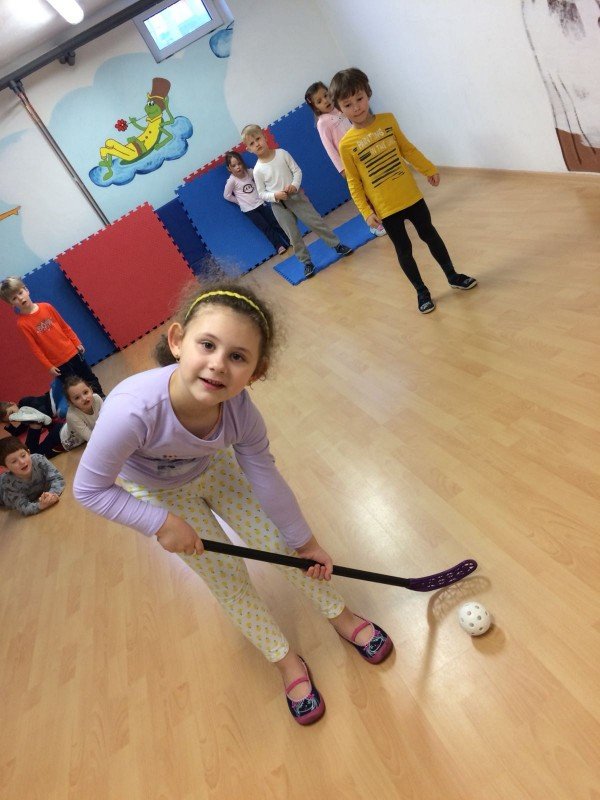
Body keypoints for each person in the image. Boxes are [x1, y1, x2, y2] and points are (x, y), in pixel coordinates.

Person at [73, 277, 393, 725]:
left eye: (238, 357)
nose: (218, 365)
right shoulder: (131, 410)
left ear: (256, 373)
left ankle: (339, 615)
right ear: (178, 341)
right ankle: (284, 660)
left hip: (212, 467)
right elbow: (89, 489)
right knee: (227, 578)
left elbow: (265, 474)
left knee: (281, 546)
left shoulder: (241, 413)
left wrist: (305, 543)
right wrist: (159, 522)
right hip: (158, 491)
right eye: (207, 345)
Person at [329, 68, 477, 314]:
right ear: (340, 109)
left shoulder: (388, 120)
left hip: (411, 196)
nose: (356, 107)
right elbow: (354, 182)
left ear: (368, 93)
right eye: (348, 104)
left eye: (359, 98)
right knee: (404, 249)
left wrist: (427, 168)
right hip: (386, 208)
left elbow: (406, 149)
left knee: (430, 235)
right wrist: (366, 211)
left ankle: (453, 275)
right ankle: (422, 292)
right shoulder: (346, 145)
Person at [241, 125, 354, 279]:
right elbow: (261, 193)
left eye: (258, 138)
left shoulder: (282, 154)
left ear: (265, 137)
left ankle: (337, 245)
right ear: (249, 149)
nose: (257, 144)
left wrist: (294, 185)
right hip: (279, 206)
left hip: (296, 197)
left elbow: (297, 171)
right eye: (252, 143)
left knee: (316, 223)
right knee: (293, 236)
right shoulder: (257, 170)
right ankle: (306, 262)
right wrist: (275, 195)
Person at [305, 81, 386, 238]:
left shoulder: (341, 109)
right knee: (364, 193)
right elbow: (329, 148)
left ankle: (385, 213)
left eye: (326, 95)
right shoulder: (322, 123)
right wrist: (342, 168)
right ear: (315, 107)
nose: (325, 101)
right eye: (319, 101)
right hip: (349, 162)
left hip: (362, 153)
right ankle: (375, 224)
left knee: (375, 185)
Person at [0, 277, 105, 395]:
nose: (20, 298)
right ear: (11, 303)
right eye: (14, 298)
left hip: (72, 352)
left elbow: (64, 326)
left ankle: (101, 398)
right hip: (58, 363)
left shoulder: (47, 307)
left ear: (26, 290)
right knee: (72, 388)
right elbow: (35, 348)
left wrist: (76, 341)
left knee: (88, 377)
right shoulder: (22, 324)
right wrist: (49, 366)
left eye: (20, 292)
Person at [223, 151, 291, 254]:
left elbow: (259, 176)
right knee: (265, 227)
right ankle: (279, 245)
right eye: (234, 166)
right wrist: (239, 202)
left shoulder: (249, 172)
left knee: (275, 222)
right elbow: (227, 195)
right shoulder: (232, 181)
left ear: (242, 163)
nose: (238, 167)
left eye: (239, 164)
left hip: (261, 203)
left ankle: (290, 239)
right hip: (249, 210)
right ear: (229, 168)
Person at [0, 436, 65, 516]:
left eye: (23, 456)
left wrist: (52, 494)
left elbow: (57, 478)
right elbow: (23, 507)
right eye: (14, 461)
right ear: (5, 468)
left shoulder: (39, 460)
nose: (22, 462)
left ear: (28, 453)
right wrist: (40, 506)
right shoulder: (8, 483)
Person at [0, 401, 65, 458]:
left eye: (12, 412)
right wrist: (6, 422)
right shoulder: (21, 414)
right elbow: (18, 431)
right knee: (30, 454)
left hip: (61, 427)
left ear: (12, 403)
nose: (14, 416)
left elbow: (48, 417)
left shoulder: (27, 403)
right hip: (58, 430)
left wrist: (35, 424)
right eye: (12, 419)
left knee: (32, 455)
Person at [59, 375, 104, 451]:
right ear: (71, 402)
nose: (84, 398)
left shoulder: (96, 398)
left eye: (85, 392)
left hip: (83, 425)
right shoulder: (72, 416)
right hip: (69, 440)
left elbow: (107, 420)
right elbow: (92, 439)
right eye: (77, 398)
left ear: (91, 390)